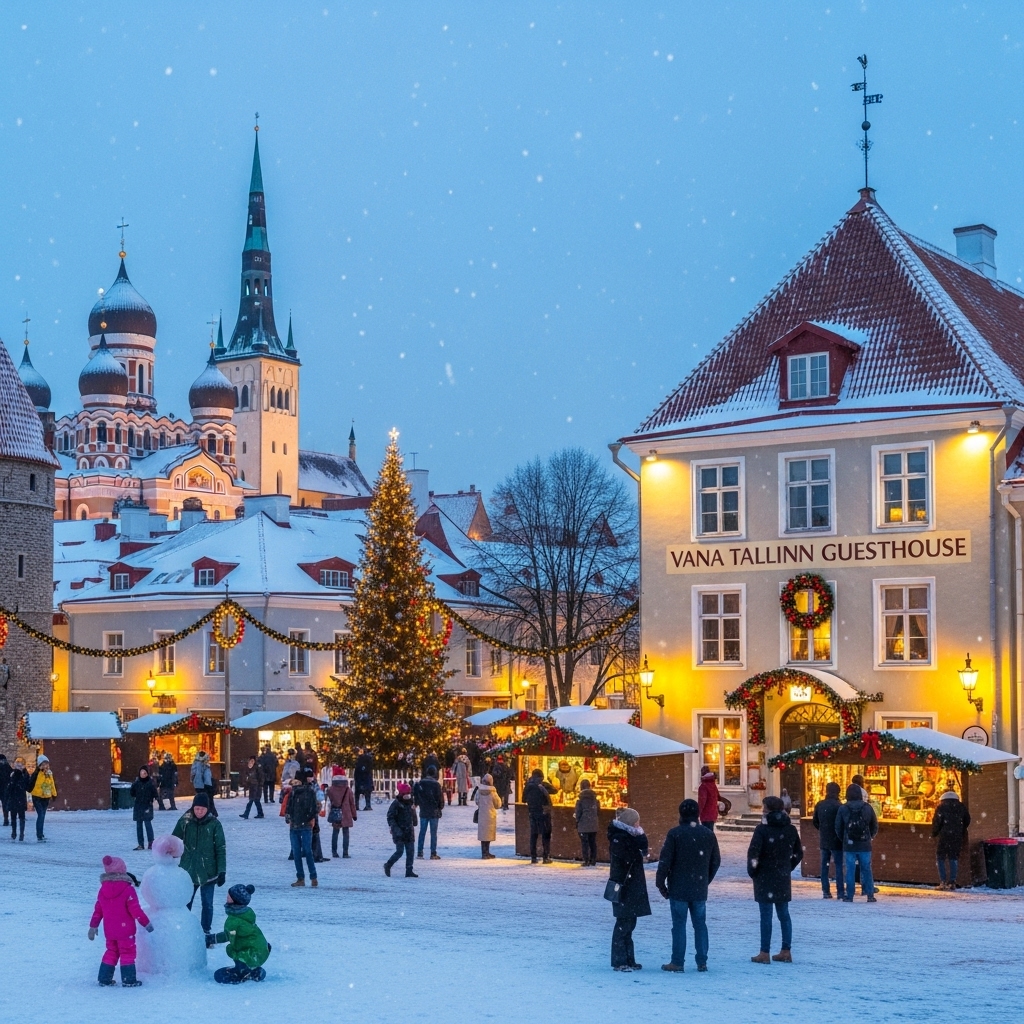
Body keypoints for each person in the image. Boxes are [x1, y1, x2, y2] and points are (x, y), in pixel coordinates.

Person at [656, 798, 721, 973]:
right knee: (700, 924)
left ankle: (677, 961)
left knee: (678, 924)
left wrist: (660, 882)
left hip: (678, 887)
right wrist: (705, 879)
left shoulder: (675, 834)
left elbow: (665, 861)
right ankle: (702, 961)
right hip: (699, 887)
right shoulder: (707, 834)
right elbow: (716, 861)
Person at [747, 794, 803, 963]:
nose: (762, 811)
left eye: (764, 808)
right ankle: (786, 950)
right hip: (782, 876)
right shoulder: (790, 829)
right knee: (784, 914)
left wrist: (753, 871)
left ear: (768, 810)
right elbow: (798, 853)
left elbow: (753, 854)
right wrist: (788, 866)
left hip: (764, 876)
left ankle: (764, 952)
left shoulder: (762, 830)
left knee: (766, 915)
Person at [88, 853, 154, 987]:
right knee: (127, 952)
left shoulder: (102, 890)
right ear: (122, 870)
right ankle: (129, 979)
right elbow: (135, 910)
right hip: (125, 931)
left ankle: (104, 978)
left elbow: (98, 910)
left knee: (111, 952)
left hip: (110, 931)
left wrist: (93, 926)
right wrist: (146, 923)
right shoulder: (128, 889)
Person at [171, 792, 227, 935]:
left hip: (209, 871)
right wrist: (168, 853)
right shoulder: (185, 821)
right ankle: (183, 928)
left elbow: (220, 848)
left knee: (207, 904)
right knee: (185, 903)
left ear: (207, 809)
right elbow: (174, 840)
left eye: (202, 809)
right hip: (189, 870)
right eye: (196, 808)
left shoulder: (214, 824)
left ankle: (206, 930)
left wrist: (222, 871)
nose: (199, 811)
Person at [607, 807, 650, 972]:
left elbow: (642, 852)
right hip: (624, 886)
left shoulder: (630, 836)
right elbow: (626, 860)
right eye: (637, 822)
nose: (639, 824)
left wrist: (640, 838)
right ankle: (619, 961)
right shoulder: (620, 839)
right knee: (623, 923)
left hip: (630, 885)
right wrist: (638, 842)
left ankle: (629, 959)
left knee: (629, 923)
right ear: (631, 823)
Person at [206, 883, 271, 984]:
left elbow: (229, 936)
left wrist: (212, 939)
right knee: (239, 948)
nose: (226, 897)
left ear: (235, 900)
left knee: (231, 949)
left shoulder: (233, 921)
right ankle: (252, 969)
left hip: (250, 953)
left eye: (229, 896)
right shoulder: (246, 913)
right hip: (262, 950)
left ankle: (242, 972)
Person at [836, 783, 878, 903]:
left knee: (849, 870)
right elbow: (874, 825)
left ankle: (849, 895)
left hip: (849, 845)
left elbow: (838, 827)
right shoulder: (867, 807)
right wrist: (870, 837)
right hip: (865, 844)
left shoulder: (843, 808)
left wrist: (844, 838)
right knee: (866, 869)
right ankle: (870, 894)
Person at [931, 788, 970, 890]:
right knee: (953, 858)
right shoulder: (961, 807)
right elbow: (967, 820)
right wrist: (961, 828)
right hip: (957, 836)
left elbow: (936, 822)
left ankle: (943, 882)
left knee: (940, 858)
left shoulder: (941, 807)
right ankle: (952, 882)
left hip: (944, 835)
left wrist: (934, 833)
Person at [286, 770, 320, 887]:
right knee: (298, 852)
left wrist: (310, 818)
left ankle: (312, 876)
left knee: (306, 851)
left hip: (304, 825)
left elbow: (314, 808)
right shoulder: (293, 792)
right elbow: (289, 806)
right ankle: (302, 877)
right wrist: (289, 817)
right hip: (296, 825)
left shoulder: (308, 792)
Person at [811, 782, 844, 898]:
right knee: (839, 866)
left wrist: (822, 829)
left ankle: (826, 891)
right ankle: (840, 892)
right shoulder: (839, 806)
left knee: (824, 866)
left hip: (824, 839)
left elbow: (815, 821)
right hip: (837, 840)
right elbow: (842, 823)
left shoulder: (820, 805)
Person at [385, 782, 418, 877]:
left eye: (409, 794)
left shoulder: (410, 802)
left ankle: (409, 870)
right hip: (399, 832)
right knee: (399, 851)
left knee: (410, 851)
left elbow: (413, 815)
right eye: (406, 794)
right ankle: (388, 865)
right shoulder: (396, 804)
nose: (408, 796)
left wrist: (415, 821)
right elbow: (390, 817)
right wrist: (395, 829)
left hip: (409, 830)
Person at [414, 765, 445, 860]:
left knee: (422, 832)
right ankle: (433, 853)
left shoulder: (421, 783)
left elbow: (417, 796)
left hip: (424, 810)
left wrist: (417, 804)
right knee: (433, 833)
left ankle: (420, 852)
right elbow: (440, 799)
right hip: (434, 811)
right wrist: (440, 807)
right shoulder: (436, 785)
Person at [524, 768, 555, 863]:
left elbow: (523, 799)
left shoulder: (528, 786)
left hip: (532, 813)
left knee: (534, 835)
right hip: (543, 813)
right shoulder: (542, 786)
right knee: (546, 834)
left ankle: (533, 857)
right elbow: (554, 790)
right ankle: (546, 857)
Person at [326, 769, 357, 858]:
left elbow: (330, 799)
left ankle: (334, 852)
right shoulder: (348, 790)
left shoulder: (331, 789)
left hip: (336, 812)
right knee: (346, 833)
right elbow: (352, 803)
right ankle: (345, 852)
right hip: (346, 813)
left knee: (335, 832)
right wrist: (354, 815)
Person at [28, 754, 57, 841]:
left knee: (43, 815)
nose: (45, 766)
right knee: (40, 815)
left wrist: (54, 794)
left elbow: (52, 784)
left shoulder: (49, 773)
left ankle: (41, 833)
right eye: (43, 764)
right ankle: (39, 835)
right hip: (37, 797)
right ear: (39, 765)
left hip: (46, 797)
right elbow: (32, 784)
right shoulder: (37, 774)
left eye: (46, 764)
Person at [130, 765, 158, 850]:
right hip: (138, 806)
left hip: (147, 806)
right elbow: (132, 793)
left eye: (144, 773)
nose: (143, 774)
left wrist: (152, 799)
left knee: (147, 824)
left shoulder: (150, 783)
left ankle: (151, 842)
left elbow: (155, 794)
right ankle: (141, 844)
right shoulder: (136, 783)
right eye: (141, 773)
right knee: (139, 825)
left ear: (147, 774)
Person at [475, 772, 502, 859]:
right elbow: (498, 804)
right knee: (488, 834)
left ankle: (484, 852)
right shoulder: (493, 792)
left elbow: (477, 801)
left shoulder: (479, 791)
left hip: (482, 814)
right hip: (490, 816)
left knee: (483, 834)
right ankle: (487, 852)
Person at [574, 778, 599, 866]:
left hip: (583, 824)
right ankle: (593, 860)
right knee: (593, 842)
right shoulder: (595, 799)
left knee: (585, 843)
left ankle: (586, 860)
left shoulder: (580, 800)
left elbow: (578, 813)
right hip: (594, 824)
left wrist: (577, 821)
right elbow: (598, 811)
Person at [7, 756, 30, 841]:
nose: (19, 766)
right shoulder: (14, 773)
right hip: (17, 797)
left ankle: (20, 833)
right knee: (16, 816)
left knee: (20, 816)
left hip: (18, 797)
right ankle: (15, 832)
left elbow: (27, 786)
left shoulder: (22, 774)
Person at [190, 751, 217, 818]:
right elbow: (206, 775)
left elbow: (193, 773)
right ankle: (211, 812)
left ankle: (207, 812)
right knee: (208, 798)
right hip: (206, 784)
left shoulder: (196, 763)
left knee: (201, 798)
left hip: (198, 784)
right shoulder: (205, 763)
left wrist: (192, 780)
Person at [697, 766, 720, 831]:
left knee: (705, 832)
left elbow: (702, 801)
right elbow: (718, 797)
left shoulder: (703, 786)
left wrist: (698, 812)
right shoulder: (713, 785)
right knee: (710, 831)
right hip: (713, 813)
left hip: (705, 814)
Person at [0, 752, 12, 827]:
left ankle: (6, 819)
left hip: (4, 789)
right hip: (5, 789)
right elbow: (11, 776)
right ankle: (6, 819)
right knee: (5, 805)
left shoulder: (7, 767)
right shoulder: (7, 767)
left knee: (5, 805)